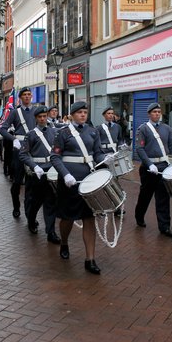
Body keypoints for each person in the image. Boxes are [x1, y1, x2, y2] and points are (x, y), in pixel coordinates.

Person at [50, 101, 109, 274]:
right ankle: (64, 242)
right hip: (70, 181)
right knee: (67, 218)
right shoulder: (63, 133)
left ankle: (90, 259)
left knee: (89, 218)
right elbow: (55, 156)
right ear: (72, 114)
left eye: (85, 112)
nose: (83, 115)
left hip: (89, 181)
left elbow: (97, 153)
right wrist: (65, 174)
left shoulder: (93, 131)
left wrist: (105, 159)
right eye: (79, 112)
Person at [19, 106, 61, 244]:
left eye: (44, 116)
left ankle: (51, 232)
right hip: (37, 173)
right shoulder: (30, 134)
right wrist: (34, 166)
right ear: (36, 118)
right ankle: (31, 220)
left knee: (51, 202)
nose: (42, 119)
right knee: (35, 202)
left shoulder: (54, 132)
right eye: (40, 117)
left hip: (51, 172)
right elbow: (23, 154)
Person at [133, 102, 172, 235]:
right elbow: (139, 148)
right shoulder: (143, 129)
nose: (157, 114)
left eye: (158, 112)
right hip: (149, 169)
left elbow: (171, 148)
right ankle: (139, 216)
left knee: (163, 198)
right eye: (154, 112)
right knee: (145, 195)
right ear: (149, 114)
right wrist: (149, 164)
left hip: (163, 167)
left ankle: (164, 226)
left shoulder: (167, 128)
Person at [0, 87, 36, 218]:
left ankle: (29, 212)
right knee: (17, 181)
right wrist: (13, 139)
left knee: (32, 182)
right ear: (20, 97)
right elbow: (2, 129)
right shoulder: (15, 112)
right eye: (24, 95)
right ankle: (16, 206)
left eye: (29, 94)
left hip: (34, 149)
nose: (27, 97)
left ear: (31, 97)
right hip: (19, 150)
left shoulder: (37, 111)